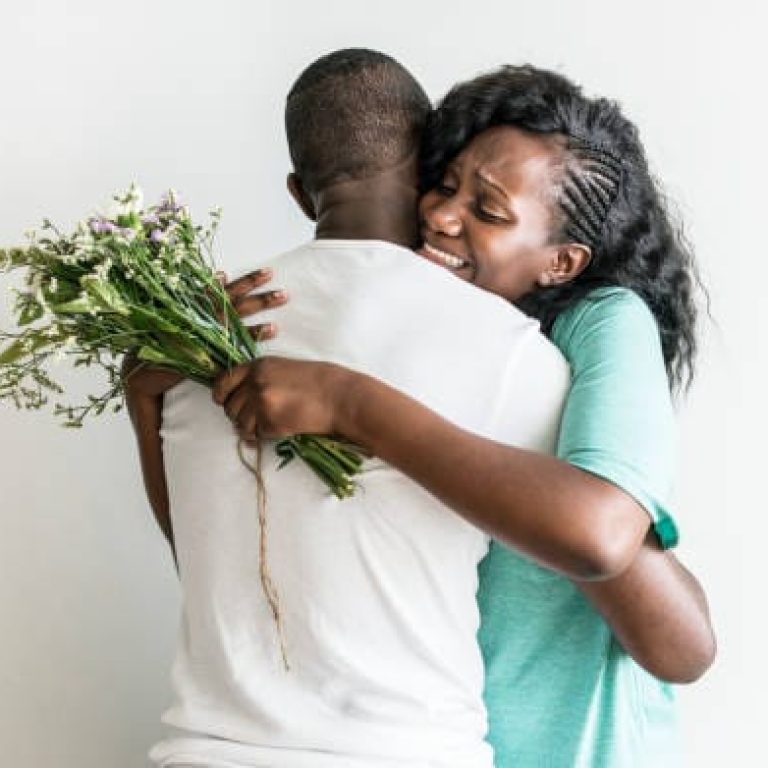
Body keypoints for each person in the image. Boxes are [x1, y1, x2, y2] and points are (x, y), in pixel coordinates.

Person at [209, 63, 716, 766]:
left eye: (489, 211)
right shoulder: (429, 327)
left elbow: (653, 606)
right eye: (443, 187)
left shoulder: (600, 324)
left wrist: (347, 402)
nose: (441, 217)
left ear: (564, 262)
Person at [135, 49, 573, 768]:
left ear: (299, 193)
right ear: (433, 177)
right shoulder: (512, 350)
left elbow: (201, 558)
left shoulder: (195, 337)